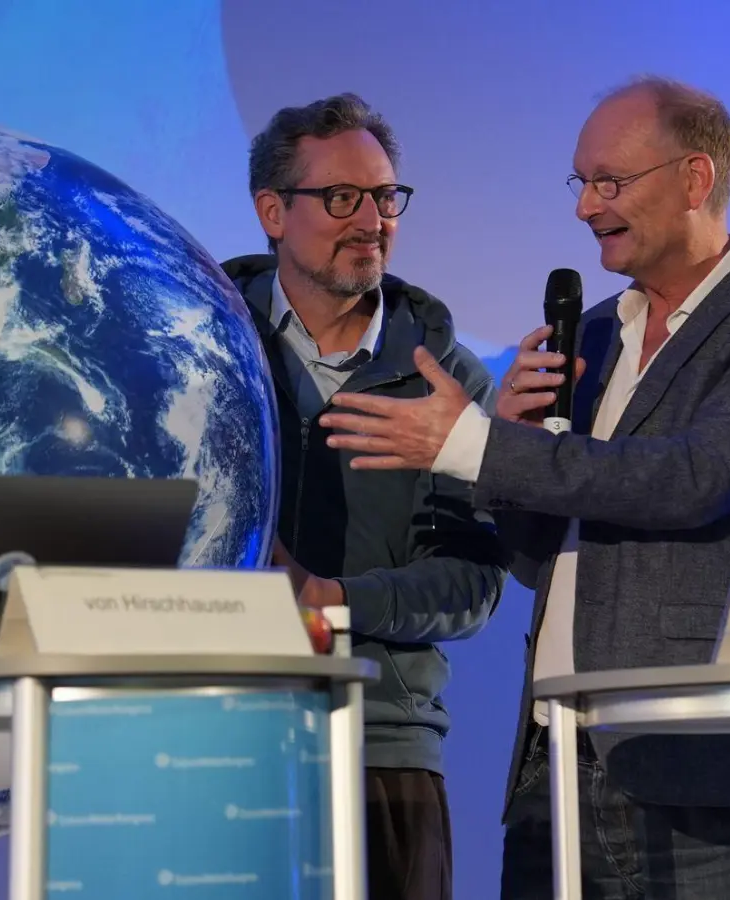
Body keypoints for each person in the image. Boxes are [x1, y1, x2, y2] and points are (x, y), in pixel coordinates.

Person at [318, 76, 730, 897]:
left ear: (695, 179)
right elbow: (541, 560)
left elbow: (690, 479)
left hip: (701, 774)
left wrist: (476, 444)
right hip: (555, 763)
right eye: (582, 183)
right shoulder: (596, 332)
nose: (585, 207)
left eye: (611, 182)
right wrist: (523, 443)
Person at [221, 92, 508, 900]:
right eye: (341, 199)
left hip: (383, 745)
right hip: (212, 732)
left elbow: (472, 581)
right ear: (272, 211)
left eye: (384, 198)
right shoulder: (201, 346)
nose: (371, 220)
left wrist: (329, 601)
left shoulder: (446, 382)